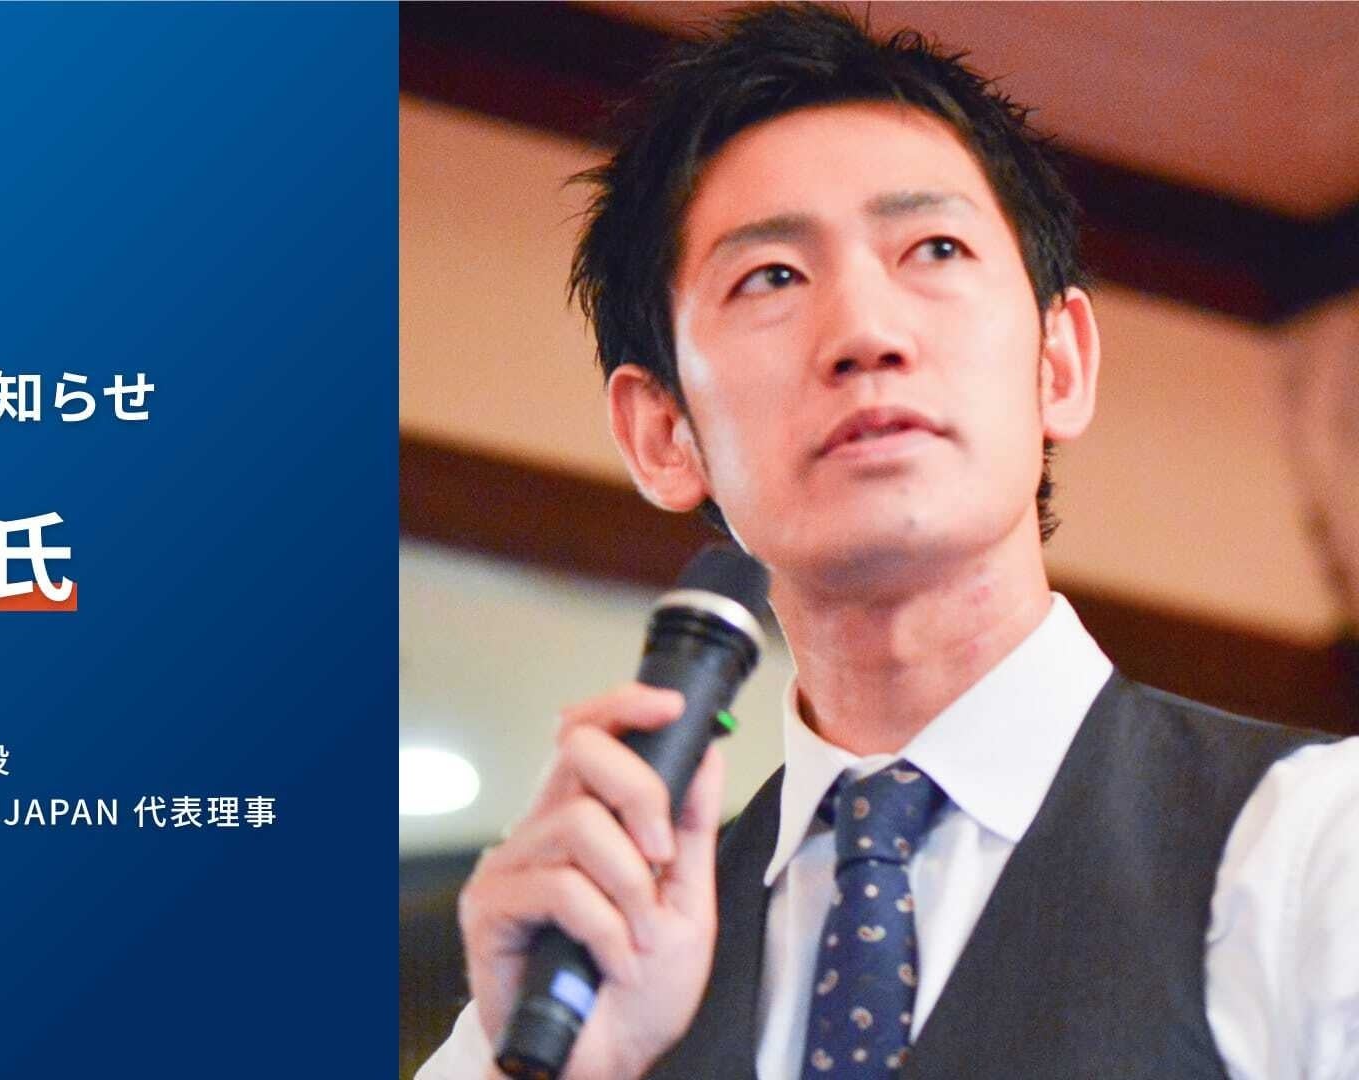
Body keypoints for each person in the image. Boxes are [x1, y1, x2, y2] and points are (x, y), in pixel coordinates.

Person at [416, 5, 1359, 1078]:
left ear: (1059, 363)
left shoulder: (1317, 843)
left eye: (935, 249)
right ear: (663, 432)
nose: (867, 333)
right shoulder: (567, 983)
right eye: (771, 276)